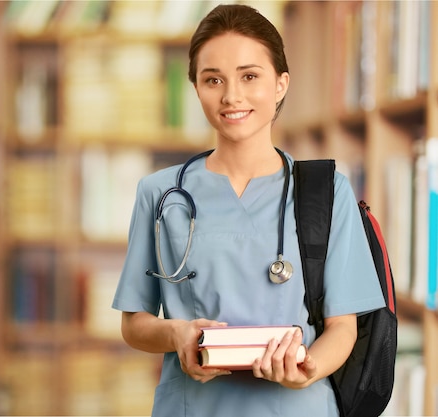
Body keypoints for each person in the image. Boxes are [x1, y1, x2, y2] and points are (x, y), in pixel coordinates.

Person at [111, 4, 385, 417]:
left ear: (280, 83)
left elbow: (342, 328)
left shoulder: (327, 192)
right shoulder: (161, 192)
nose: (231, 96)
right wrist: (178, 333)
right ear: (196, 87)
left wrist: (308, 370)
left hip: (298, 407)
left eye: (250, 76)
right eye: (213, 80)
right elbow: (134, 323)